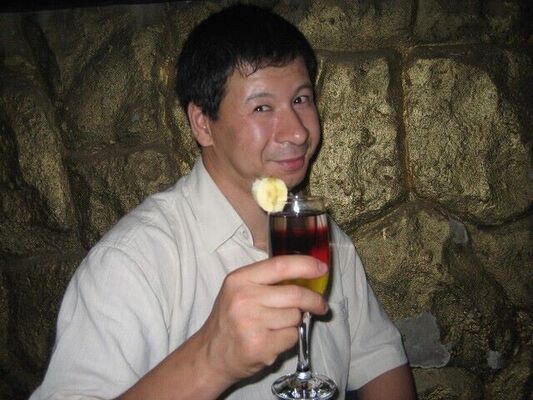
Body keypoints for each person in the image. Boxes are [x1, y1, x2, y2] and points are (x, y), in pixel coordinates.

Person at [31, 4, 415, 400]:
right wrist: (210, 361)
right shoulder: (131, 261)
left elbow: (380, 361)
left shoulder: (321, 234)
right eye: (262, 107)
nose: (298, 132)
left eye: (301, 99)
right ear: (202, 124)